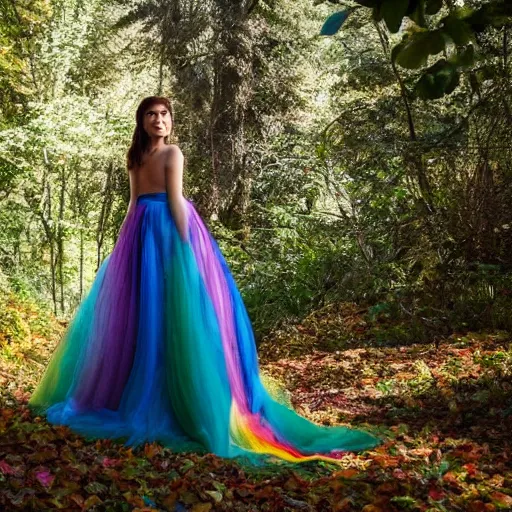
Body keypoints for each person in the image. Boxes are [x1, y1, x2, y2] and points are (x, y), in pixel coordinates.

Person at [28, 96, 380, 465]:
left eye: (164, 114)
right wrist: (139, 246)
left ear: (171, 121)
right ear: (142, 121)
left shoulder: (172, 153)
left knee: (170, 311)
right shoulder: (136, 157)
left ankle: (180, 393)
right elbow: (141, 203)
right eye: (152, 114)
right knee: (149, 312)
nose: (159, 120)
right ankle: (145, 392)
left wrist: (184, 246)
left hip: (162, 231)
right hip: (148, 233)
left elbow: (173, 200)